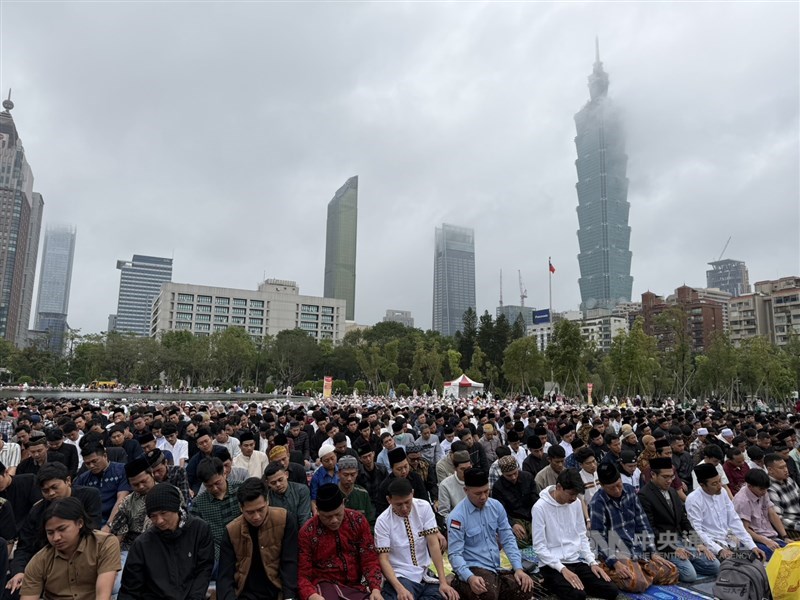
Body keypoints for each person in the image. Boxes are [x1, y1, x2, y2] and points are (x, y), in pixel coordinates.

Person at [6, 462, 103, 595]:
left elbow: (92, 530)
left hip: (84, 559)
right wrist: (19, 572)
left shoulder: (89, 496)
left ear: (68, 481)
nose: (51, 493)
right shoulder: (37, 511)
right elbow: (25, 546)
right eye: (45, 491)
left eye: (54, 487)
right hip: (48, 564)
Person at [589, 463, 679, 593]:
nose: (617, 490)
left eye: (618, 485)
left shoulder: (630, 491)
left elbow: (642, 523)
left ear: (620, 479)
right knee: (636, 583)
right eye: (611, 488)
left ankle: (640, 570)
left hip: (637, 547)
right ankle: (610, 569)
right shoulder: (597, 502)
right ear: (602, 486)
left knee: (672, 571)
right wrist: (615, 563)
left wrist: (652, 552)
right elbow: (598, 537)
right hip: (616, 552)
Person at [446, 468, 534, 600]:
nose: (483, 497)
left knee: (526, 588)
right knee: (487, 594)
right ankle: (456, 582)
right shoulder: (457, 517)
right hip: (473, 567)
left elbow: (508, 539)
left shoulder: (496, 506)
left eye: (486, 491)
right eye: (478, 493)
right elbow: (454, 554)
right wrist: (469, 578)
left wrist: (518, 568)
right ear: (466, 490)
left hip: (495, 568)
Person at [532, 469, 618, 600]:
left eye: (576, 494)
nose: (573, 498)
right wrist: (562, 569)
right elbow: (539, 547)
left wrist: (592, 562)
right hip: (552, 565)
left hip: (575, 561)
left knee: (611, 590)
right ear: (559, 487)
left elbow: (582, 536)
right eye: (571, 494)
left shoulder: (576, 503)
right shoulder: (540, 507)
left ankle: (572, 584)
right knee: (578, 596)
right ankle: (551, 582)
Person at [119, 482, 215, 600]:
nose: (159, 520)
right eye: (153, 516)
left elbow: (204, 570)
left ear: (176, 508)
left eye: (163, 513)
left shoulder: (199, 530)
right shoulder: (142, 544)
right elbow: (130, 588)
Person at [19, 497, 120, 600]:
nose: (56, 538)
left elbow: (103, 595)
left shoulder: (104, 544)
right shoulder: (40, 560)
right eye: (50, 533)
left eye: (62, 529)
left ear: (80, 523)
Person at [374, 477, 458, 600]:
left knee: (448, 596)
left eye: (407, 502)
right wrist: (400, 589)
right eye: (399, 504)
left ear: (412, 493)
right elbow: (383, 559)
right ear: (389, 500)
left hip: (424, 575)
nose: (404, 508)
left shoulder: (423, 507)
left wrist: (443, 582)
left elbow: (433, 545)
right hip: (400, 577)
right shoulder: (383, 521)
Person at [638, 457, 720, 583]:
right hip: (664, 544)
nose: (669, 480)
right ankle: (672, 561)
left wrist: (698, 542)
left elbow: (683, 520)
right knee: (689, 575)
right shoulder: (644, 495)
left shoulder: (672, 491)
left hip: (681, 539)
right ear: (653, 475)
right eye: (665, 477)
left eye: (671, 476)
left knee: (715, 566)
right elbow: (650, 528)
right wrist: (673, 549)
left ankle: (687, 559)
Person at [298, 483, 383, 600]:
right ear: (317, 511)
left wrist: (375, 589)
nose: (334, 520)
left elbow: (369, 559)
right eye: (327, 517)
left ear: (343, 503)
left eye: (338, 514)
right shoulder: (308, 532)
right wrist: (311, 595)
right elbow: (303, 574)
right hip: (324, 585)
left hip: (355, 586)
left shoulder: (357, 521)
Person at [217, 477, 298, 600]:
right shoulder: (231, 531)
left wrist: (289, 597)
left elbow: (290, 562)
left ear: (267, 501)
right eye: (250, 512)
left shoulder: (284, 519)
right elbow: (225, 577)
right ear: (241, 508)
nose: (256, 517)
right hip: (245, 593)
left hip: (277, 590)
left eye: (260, 510)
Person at [685, 463, 766, 562]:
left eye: (719, 481)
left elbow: (734, 520)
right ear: (702, 485)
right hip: (711, 543)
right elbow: (697, 530)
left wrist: (752, 546)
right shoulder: (693, 499)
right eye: (714, 484)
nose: (719, 486)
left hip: (729, 539)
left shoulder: (722, 492)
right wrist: (719, 550)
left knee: (756, 557)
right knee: (737, 563)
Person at [190, 456, 242, 564]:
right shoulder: (198, 503)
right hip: (218, 554)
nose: (214, 488)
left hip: (243, 544)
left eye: (218, 483)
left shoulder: (240, 489)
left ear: (224, 473)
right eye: (209, 486)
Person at [733, 468, 790, 560]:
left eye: (766, 489)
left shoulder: (763, 492)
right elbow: (744, 530)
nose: (764, 492)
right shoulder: (742, 501)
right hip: (753, 540)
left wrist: (785, 536)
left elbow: (772, 513)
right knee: (779, 556)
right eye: (761, 489)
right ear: (750, 486)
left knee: (793, 550)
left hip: (769, 535)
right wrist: (766, 541)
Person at [74, 443, 132, 528]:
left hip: (118, 518)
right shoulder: (83, 478)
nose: (91, 466)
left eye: (94, 461)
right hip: (92, 521)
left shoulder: (122, 470)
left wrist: (109, 525)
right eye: (87, 463)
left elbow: (121, 500)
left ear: (105, 456)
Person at [490, 455, 536, 548]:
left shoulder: (527, 477)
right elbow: (500, 512)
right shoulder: (498, 487)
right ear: (502, 473)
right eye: (509, 475)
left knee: (538, 537)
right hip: (514, 518)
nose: (513, 477)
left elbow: (535, 500)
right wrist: (513, 524)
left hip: (532, 515)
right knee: (519, 541)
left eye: (515, 473)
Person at [264, 462, 312, 531]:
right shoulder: (267, 497)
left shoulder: (301, 490)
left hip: (300, 532)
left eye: (280, 480)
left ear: (286, 475)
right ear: (267, 483)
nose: (278, 485)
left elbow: (304, 519)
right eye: (273, 483)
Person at [765, 452, 800, 539]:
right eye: (781, 468)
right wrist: (797, 525)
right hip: (791, 527)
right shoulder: (770, 488)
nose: (786, 470)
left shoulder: (789, 480)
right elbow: (779, 518)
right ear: (770, 470)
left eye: (785, 466)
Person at [338, 455, 376, 525]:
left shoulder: (363, 494)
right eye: (345, 475)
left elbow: (370, 521)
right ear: (338, 474)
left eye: (352, 474)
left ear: (357, 473)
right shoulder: (332, 494)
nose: (349, 479)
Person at [437, 450, 471, 517]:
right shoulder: (445, 485)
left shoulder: (478, 479)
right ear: (455, 468)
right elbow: (444, 513)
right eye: (463, 469)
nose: (467, 472)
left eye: (469, 468)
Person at [310, 446, 340, 514]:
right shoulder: (316, 477)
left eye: (332, 458)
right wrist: (316, 514)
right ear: (321, 461)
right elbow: (314, 500)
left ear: (336, 455)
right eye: (326, 460)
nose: (330, 462)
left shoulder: (342, 470)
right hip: (325, 509)